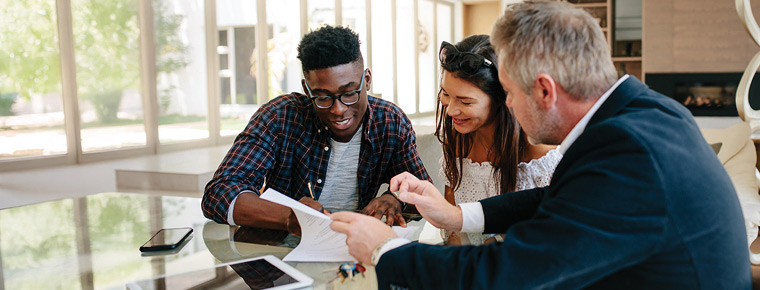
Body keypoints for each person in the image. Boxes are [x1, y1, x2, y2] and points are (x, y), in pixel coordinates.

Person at [330, 1, 751, 289]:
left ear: (545, 91)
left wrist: (385, 251)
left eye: (510, 93)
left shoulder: (631, 155)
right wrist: (458, 215)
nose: (508, 105)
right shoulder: (643, 112)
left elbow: (512, 275)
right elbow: (563, 199)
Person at [203, 25, 430, 236]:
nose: (339, 110)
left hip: (355, 247)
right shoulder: (280, 117)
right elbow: (219, 192)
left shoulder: (390, 121)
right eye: (322, 97)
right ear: (306, 89)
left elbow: (423, 191)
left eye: (349, 93)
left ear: (367, 81)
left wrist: (394, 198)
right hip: (283, 252)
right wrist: (288, 217)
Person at [434, 35, 560, 245]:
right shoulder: (457, 141)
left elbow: (552, 230)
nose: (451, 111)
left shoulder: (537, 151)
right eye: (446, 94)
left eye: (465, 101)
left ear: (503, 99)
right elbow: (454, 230)